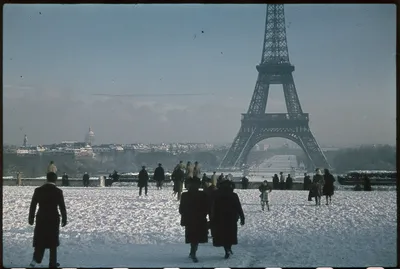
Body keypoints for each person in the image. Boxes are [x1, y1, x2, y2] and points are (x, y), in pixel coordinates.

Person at [28, 172, 67, 268]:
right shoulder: (58, 192)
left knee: (40, 238)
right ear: (55, 180)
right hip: (53, 218)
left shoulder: (38, 190)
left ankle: (36, 259)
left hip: (41, 217)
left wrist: (31, 218)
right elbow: (62, 207)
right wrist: (64, 218)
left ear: (46, 179)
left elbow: (33, 206)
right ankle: (52, 263)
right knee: (53, 241)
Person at [211, 179, 245, 259]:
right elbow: (238, 207)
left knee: (223, 235)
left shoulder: (217, 195)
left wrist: (212, 218)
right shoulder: (233, 195)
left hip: (220, 219)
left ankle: (227, 250)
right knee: (230, 235)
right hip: (232, 218)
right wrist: (242, 217)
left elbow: (213, 208)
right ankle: (228, 248)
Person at [179, 177, 209, 263]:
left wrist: (185, 215)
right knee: (197, 237)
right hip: (200, 219)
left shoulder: (185, 195)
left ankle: (192, 252)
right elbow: (207, 207)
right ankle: (193, 252)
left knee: (192, 237)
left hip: (189, 219)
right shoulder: (203, 194)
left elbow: (181, 209)